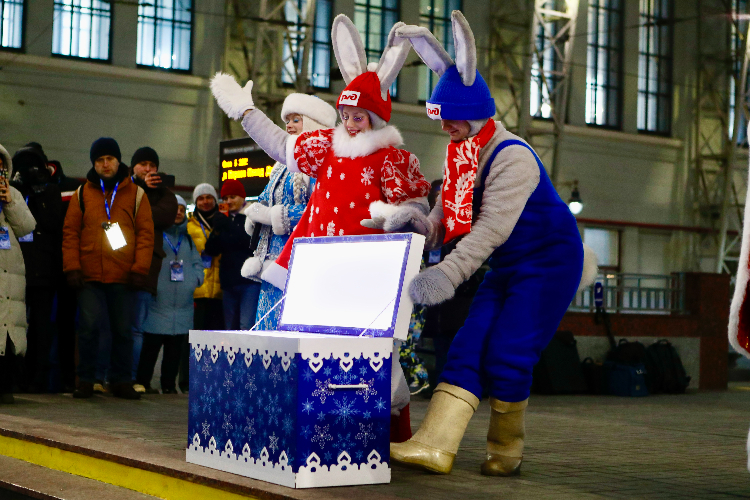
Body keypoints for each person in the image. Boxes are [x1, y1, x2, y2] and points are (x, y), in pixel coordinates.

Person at [388, 12, 594, 476]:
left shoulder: (513, 156)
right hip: (507, 267)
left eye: (450, 118)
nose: (445, 127)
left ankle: (506, 450)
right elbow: (445, 220)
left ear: (473, 112)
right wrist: (417, 224)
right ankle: (434, 445)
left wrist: (446, 273)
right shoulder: (462, 156)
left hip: (550, 264)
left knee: (508, 351)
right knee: (466, 345)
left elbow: (489, 230)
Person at [210, 14, 431, 444]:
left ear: (376, 117)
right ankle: (321, 432)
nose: (350, 123)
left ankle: (388, 430)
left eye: (359, 116)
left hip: (366, 270)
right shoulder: (326, 147)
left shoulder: (391, 159)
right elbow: (281, 145)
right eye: (345, 114)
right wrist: (247, 112)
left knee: (370, 353)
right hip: (317, 266)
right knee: (315, 349)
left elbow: (416, 205)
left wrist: (398, 215)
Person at [62, 137, 154, 400]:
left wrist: (139, 269)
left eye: (110, 159)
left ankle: (121, 381)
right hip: (88, 275)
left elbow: (146, 234)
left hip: (124, 275)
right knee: (88, 328)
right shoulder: (82, 194)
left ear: (118, 161)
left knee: (123, 330)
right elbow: (70, 233)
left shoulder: (137, 194)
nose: (105, 164)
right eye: (100, 160)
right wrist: (72, 267)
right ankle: (86, 380)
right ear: (94, 163)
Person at [241, 93, 336, 330]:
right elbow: (265, 196)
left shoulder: (321, 165)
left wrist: (272, 215)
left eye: (296, 119)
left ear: (313, 123)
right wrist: (254, 214)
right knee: (267, 326)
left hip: (300, 258)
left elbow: (319, 211)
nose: (289, 126)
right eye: (287, 121)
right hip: (271, 260)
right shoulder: (281, 164)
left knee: (292, 328)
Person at [10, 143, 64, 393]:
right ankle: (14, 376)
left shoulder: (51, 191)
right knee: (15, 324)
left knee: (41, 327)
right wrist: (17, 188)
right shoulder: (13, 192)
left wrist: (40, 192)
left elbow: (53, 224)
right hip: (17, 267)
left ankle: (37, 378)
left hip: (44, 271)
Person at [136, 195, 202, 394]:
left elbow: (197, 264)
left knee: (174, 349)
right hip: (158, 302)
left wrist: (195, 280)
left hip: (182, 305)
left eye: (182, 209)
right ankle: (142, 382)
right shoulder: (156, 235)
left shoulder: (187, 240)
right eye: (175, 209)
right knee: (151, 346)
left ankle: (168, 385)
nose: (179, 212)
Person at [129, 147, 178, 386]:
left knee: (137, 328)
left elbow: (161, 216)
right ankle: (105, 377)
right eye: (143, 164)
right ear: (133, 167)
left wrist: (146, 192)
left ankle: (130, 379)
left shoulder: (164, 194)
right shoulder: (124, 188)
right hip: (119, 263)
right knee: (111, 326)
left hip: (147, 267)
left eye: (152, 165)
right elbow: (121, 209)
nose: (148, 169)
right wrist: (141, 189)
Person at [0, 143, 37, 403]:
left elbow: (27, 227)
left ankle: (5, 385)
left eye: (1, 165)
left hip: (11, 272)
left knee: (9, 329)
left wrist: (9, 202)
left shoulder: (13, 194)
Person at [181, 183, 224, 393]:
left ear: (215, 200)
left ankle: (212, 381)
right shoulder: (188, 226)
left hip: (219, 291)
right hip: (197, 291)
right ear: (195, 202)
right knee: (192, 339)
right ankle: (187, 381)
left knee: (215, 341)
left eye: (209, 197)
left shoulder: (223, 223)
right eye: (200, 198)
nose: (205, 201)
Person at [204, 179, 260, 330]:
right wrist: (216, 231)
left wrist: (229, 226)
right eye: (225, 198)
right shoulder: (224, 219)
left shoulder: (253, 216)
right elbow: (211, 250)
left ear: (242, 197)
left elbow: (251, 243)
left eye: (232, 197)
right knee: (230, 329)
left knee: (246, 326)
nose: (228, 201)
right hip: (229, 281)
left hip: (249, 281)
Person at [48, 158, 82, 392]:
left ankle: (66, 379)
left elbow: (74, 230)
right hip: (42, 266)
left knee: (67, 325)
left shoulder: (74, 188)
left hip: (68, 268)